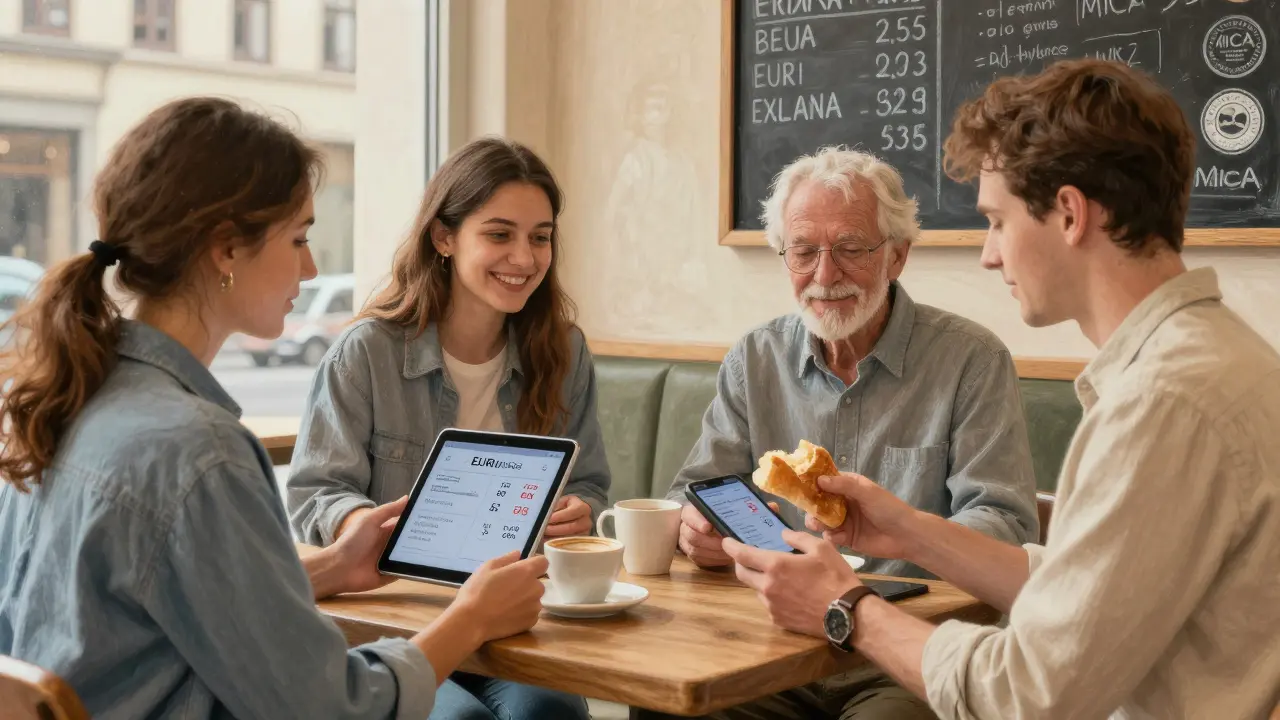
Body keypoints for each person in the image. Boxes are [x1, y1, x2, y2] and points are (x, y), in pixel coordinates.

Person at [723, 59, 1280, 719]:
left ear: (1069, 214)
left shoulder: (1164, 402)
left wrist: (847, 609)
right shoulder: (1218, 360)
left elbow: (1029, 695)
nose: (989, 254)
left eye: (996, 220)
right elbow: (1087, 593)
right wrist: (911, 532)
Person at [0, 98, 552, 720]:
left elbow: (159, 606)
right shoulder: (200, 451)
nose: (311, 266)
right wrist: (470, 617)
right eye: (299, 238)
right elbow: (329, 708)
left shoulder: (68, 401)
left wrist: (333, 565)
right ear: (225, 250)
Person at [657, 147, 1039, 719]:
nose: (825, 275)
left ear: (898, 257)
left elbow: (1005, 525)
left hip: (905, 654)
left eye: (851, 249)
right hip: (767, 646)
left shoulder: (970, 360)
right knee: (671, 705)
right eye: (804, 251)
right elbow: (694, 494)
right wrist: (696, 532)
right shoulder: (755, 358)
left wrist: (906, 532)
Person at [286, 136, 607, 720]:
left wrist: (577, 511)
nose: (525, 257)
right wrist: (373, 529)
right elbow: (314, 494)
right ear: (443, 237)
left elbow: (589, 484)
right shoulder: (367, 352)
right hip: (394, 619)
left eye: (540, 237)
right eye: (499, 234)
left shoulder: (564, 352)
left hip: (513, 614)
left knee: (549, 714)